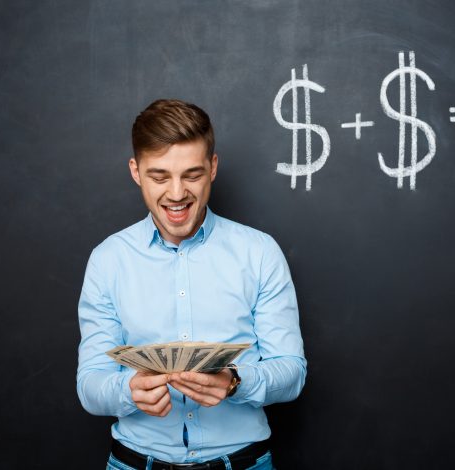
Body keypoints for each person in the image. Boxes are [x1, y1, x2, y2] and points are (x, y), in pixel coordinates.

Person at [76, 99, 306, 470]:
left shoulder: (260, 252)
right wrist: (127, 391)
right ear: (136, 171)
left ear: (213, 168)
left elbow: (292, 372)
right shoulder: (108, 260)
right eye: (159, 176)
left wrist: (235, 381)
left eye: (192, 174)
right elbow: (90, 384)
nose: (177, 193)